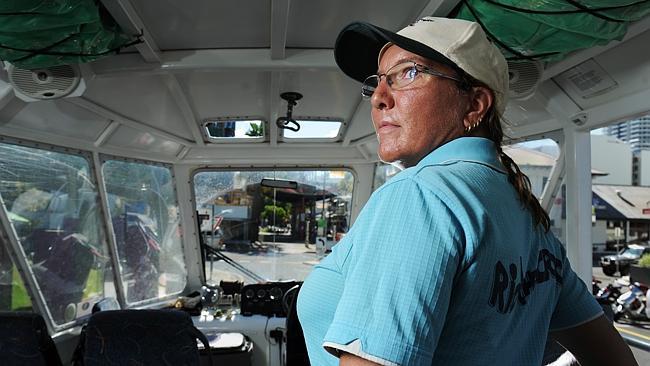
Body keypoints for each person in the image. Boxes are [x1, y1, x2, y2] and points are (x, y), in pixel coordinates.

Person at [296, 17, 638, 366]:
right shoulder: (528, 218)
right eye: (379, 82)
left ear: (475, 104)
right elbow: (614, 358)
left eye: (407, 73)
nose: (379, 98)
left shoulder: (419, 196)